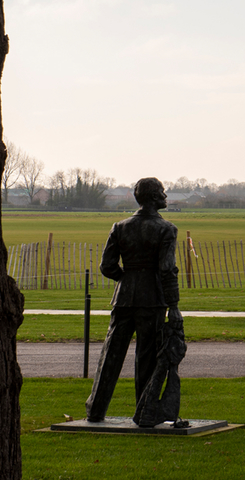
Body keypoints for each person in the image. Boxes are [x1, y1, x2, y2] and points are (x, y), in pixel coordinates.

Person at [85, 177, 182, 424]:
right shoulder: (166, 229)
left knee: (110, 354)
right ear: (152, 197)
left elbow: (106, 266)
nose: (165, 196)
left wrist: (126, 280)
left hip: (123, 299)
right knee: (146, 357)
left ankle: (96, 410)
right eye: (161, 191)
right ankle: (144, 413)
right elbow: (166, 269)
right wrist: (174, 305)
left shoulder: (120, 227)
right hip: (152, 300)